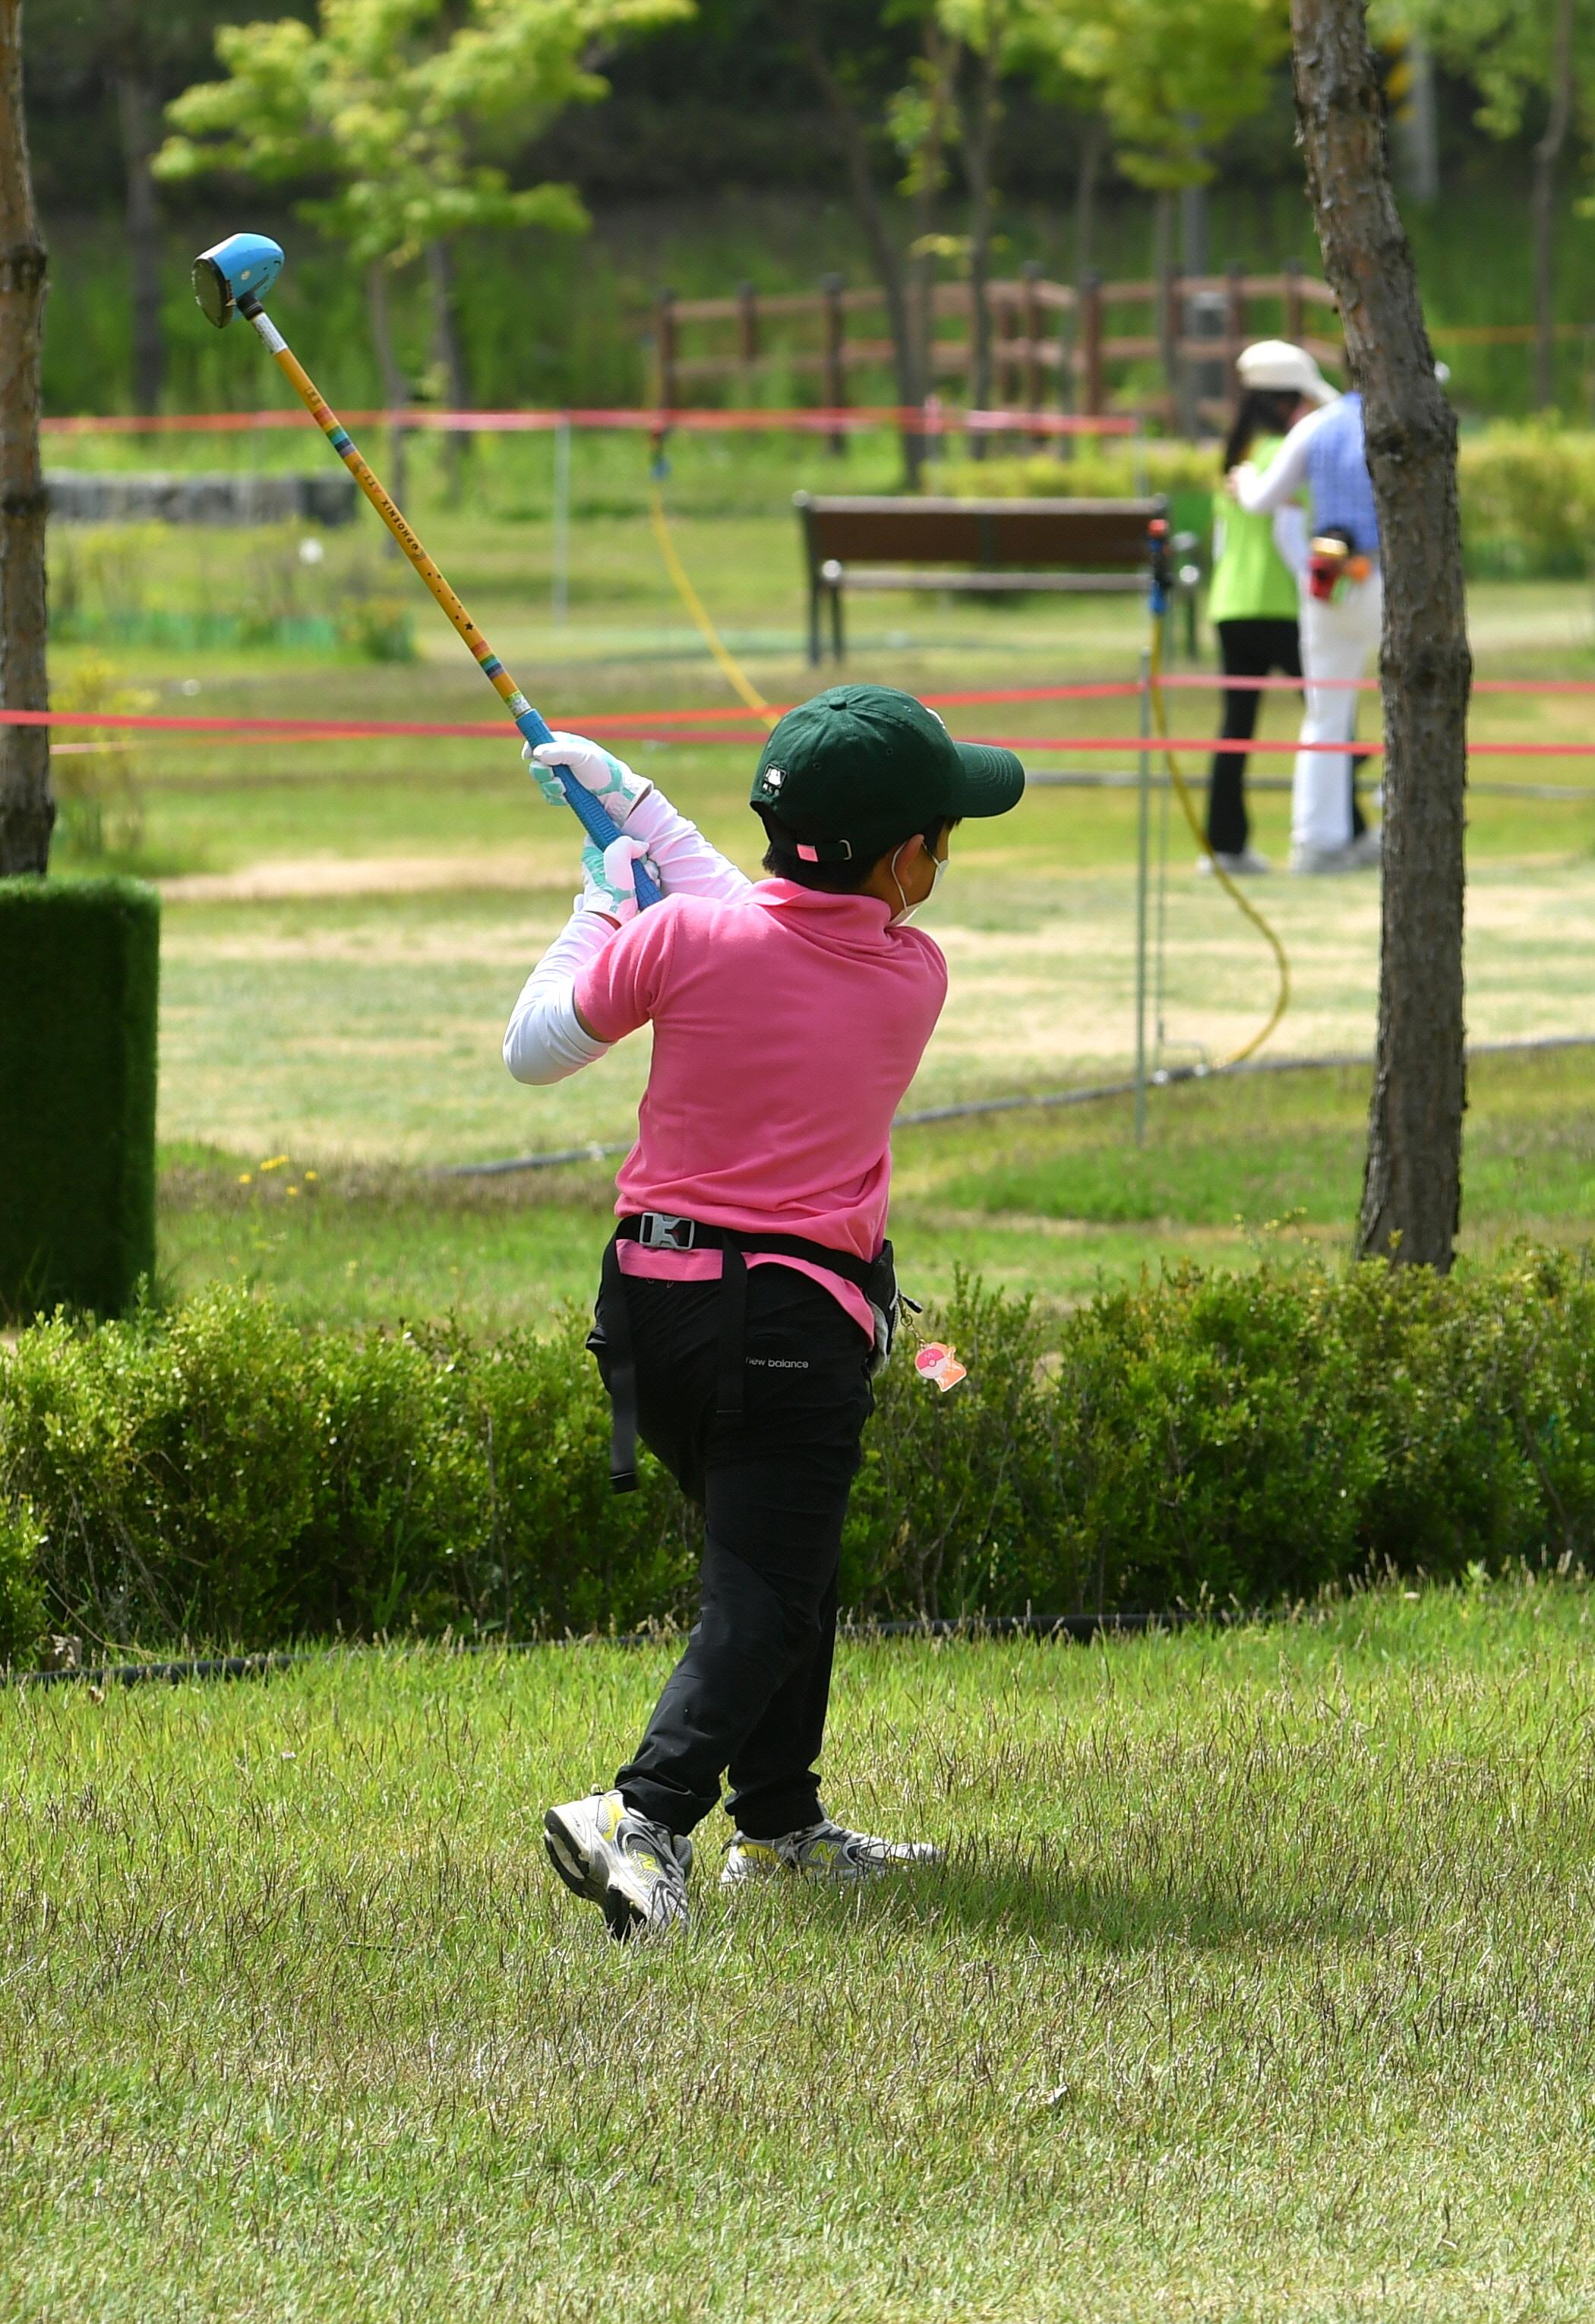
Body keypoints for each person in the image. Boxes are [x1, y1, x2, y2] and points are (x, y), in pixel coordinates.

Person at [501, 687, 1025, 1940]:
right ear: (901, 859)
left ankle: (781, 1828)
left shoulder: (686, 945)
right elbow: (744, 911)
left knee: (783, 1570)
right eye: (942, 836)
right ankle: (642, 1815)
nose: (944, 858)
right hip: (788, 1327)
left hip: (650, 1316)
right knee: (767, 1595)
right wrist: (635, 827)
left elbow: (537, 1042)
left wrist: (603, 891)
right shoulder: (910, 970)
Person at [1230, 374, 1384, 875]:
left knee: (1325, 713)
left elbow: (1261, 499)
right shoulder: (1401, 423)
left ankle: (1318, 841)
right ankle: (1394, 816)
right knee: (1412, 700)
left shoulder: (1316, 426)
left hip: (1328, 582)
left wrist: (1244, 479)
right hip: (1387, 576)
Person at [1203, 340, 1335, 875]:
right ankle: (1339, 827)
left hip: (1231, 604)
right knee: (1330, 716)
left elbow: (1219, 543)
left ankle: (1224, 847)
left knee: (1236, 728)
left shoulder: (1234, 459)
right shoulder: (1284, 456)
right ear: (1285, 404)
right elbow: (1288, 536)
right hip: (1279, 606)